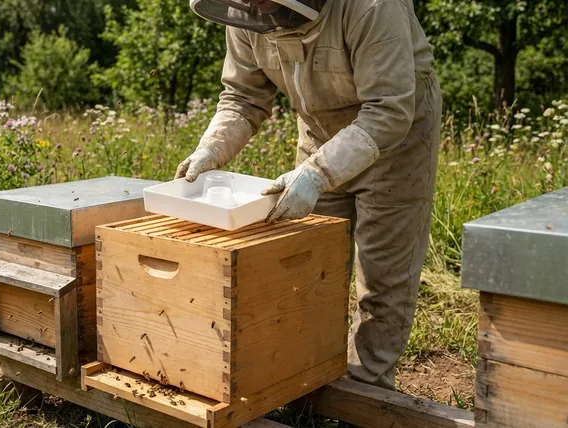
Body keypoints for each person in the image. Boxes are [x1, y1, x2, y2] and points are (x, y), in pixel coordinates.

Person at [176, 0, 441, 391]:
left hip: (397, 143)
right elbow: (243, 97)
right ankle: (310, 378)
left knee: (382, 277)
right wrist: (212, 148)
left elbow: (389, 110)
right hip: (318, 136)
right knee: (309, 265)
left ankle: (366, 389)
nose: (257, 10)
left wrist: (319, 173)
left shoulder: (372, 7)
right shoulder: (246, 12)